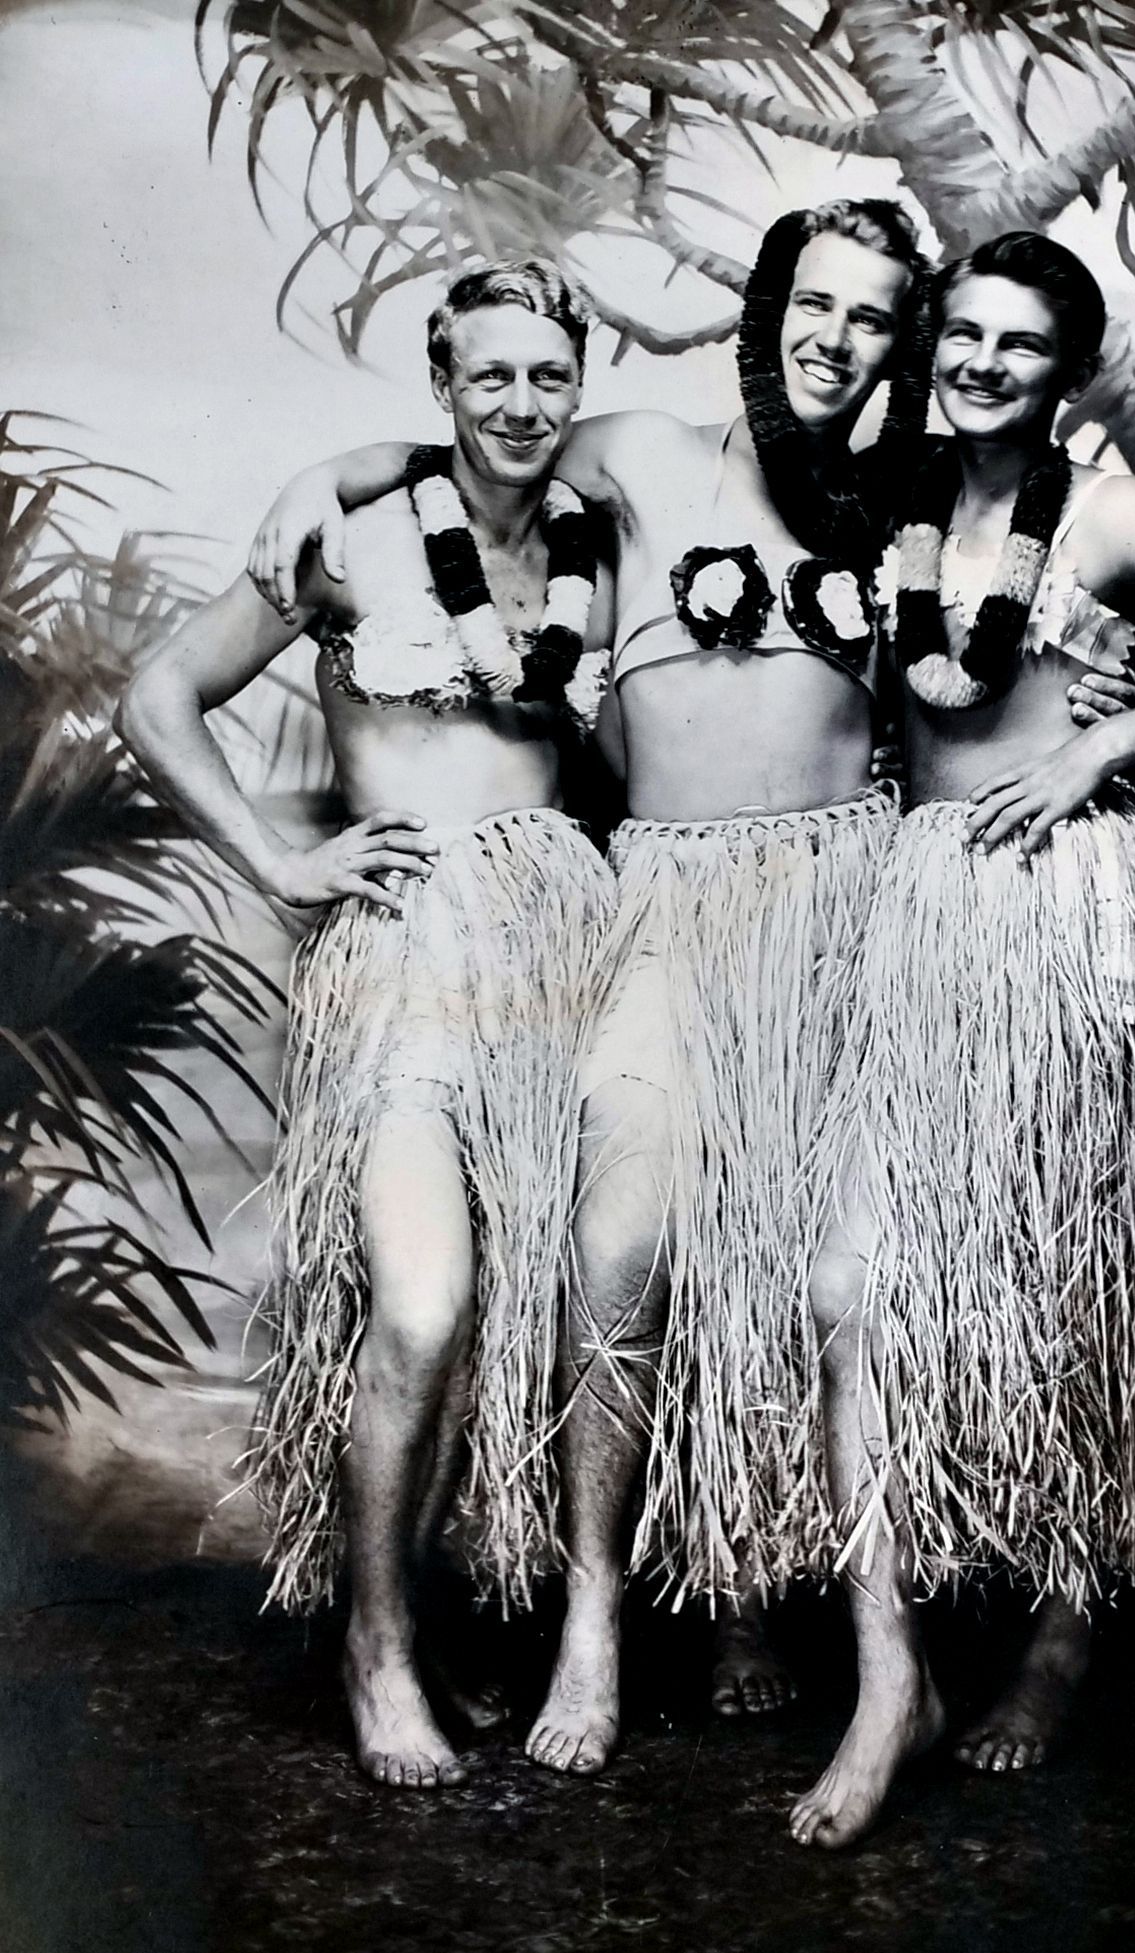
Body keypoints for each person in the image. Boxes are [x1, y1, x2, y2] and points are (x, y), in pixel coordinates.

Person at [248, 203, 1135, 1777]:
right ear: (767, 309)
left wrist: (1106, 707)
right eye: (813, 304)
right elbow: (483, 450)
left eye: (871, 316)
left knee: (802, 1267)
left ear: (903, 340)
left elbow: (1026, 601)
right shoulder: (637, 452)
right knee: (624, 1247)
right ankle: (594, 1617)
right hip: (666, 891)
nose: (835, 339)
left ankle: (756, 1597)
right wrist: (324, 473)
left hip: (850, 900)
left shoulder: (908, 497)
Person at [789, 232, 1135, 1850]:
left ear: (1065, 368)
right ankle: (889, 1674)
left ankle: (1059, 1634)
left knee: (1080, 1264)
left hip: (1080, 908)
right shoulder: (891, 506)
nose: (978, 362)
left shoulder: (1113, 514)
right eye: (958, 332)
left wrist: (1110, 741)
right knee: (851, 1282)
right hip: (922, 907)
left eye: (1016, 343)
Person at [118, 260, 616, 1791]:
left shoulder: (597, 535)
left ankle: (428, 1611)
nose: (520, 403)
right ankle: (374, 1641)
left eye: (547, 374)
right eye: (489, 375)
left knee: (509, 1309)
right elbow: (157, 697)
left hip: (557, 956)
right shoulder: (354, 534)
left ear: (577, 382)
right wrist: (278, 862)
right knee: (420, 1302)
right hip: (405, 960)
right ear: (441, 382)